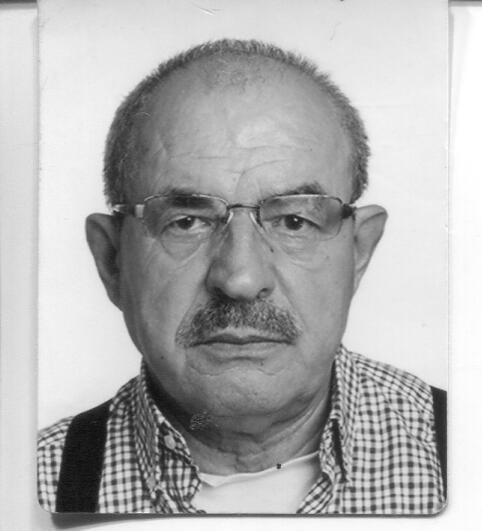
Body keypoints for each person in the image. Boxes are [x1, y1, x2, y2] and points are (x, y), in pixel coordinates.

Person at [38, 39, 446, 515]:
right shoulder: (28, 488)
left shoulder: (463, 453)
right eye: (186, 222)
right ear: (112, 260)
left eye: (294, 221)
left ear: (359, 252)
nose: (241, 279)